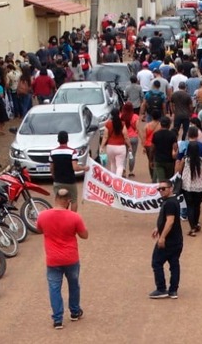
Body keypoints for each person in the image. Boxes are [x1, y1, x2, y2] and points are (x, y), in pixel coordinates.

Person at [35, 188, 89, 329]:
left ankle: (57, 319)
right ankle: (75, 312)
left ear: (56, 199)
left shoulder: (43, 215)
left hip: (53, 259)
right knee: (74, 285)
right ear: (68, 201)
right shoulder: (74, 217)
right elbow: (85, 235)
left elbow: (39, 229)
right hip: (71, 258)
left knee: (54, 288)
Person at [149, 179, 183, 299]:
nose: (161, 191)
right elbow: (166, 219)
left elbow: (170, 221)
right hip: (177, 239)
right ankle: (173, 290)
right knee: (174, 264)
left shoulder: (169, 203)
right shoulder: (172, 201)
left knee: (156, 262)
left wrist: (162, 237)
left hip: (169, 240)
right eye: (159, 189)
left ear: (170, 188)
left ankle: (161, 288)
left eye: (164, 189)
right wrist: (158, 227)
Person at [176, 127, 202, 236]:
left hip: (187, 186)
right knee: (197, 205)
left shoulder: (185, 159)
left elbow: (179, 170)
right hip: (199, 186)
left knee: (189, 206)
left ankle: (192, 227)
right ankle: (196, 223)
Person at [50, 131, 90, 212]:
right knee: (73, 200)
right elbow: (75, 167)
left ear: (58, 140)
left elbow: (51, 168)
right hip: (70, 181)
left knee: (59, 201)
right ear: (67, 140)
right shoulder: (72, 151)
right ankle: (72, 217)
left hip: (58, 181)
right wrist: (84, 168)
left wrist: (54, 176)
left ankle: (59, 217)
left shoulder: (52, 152)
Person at [100, 108, 131, 178]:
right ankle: (118, 179)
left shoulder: (108, 124)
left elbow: (105, 136)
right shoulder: (122, 124)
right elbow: (126, 136)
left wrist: (101, 146)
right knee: (120, 165)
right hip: (121, 147)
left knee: (113, 164)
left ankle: (113, 179)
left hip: (110, 147)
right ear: (119, 113)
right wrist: (129, 146)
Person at [151, 117, 177, 183]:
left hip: (159, 161)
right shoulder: (172, 135)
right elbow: (175, 148)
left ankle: (162, 191)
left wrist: (151, 160)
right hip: (169, 161)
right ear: (169, 125)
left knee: (161, 180)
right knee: (169, 180)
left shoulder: (156, 135)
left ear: (160, 124)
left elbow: (152, 148)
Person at [120, 102, 140, 178]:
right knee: (132, 155)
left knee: (124, 156)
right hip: (134, 138)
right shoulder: (135, 117)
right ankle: (131, 171)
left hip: (124, 138)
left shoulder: (121, 116)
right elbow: (137, 129)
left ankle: (124, 170)